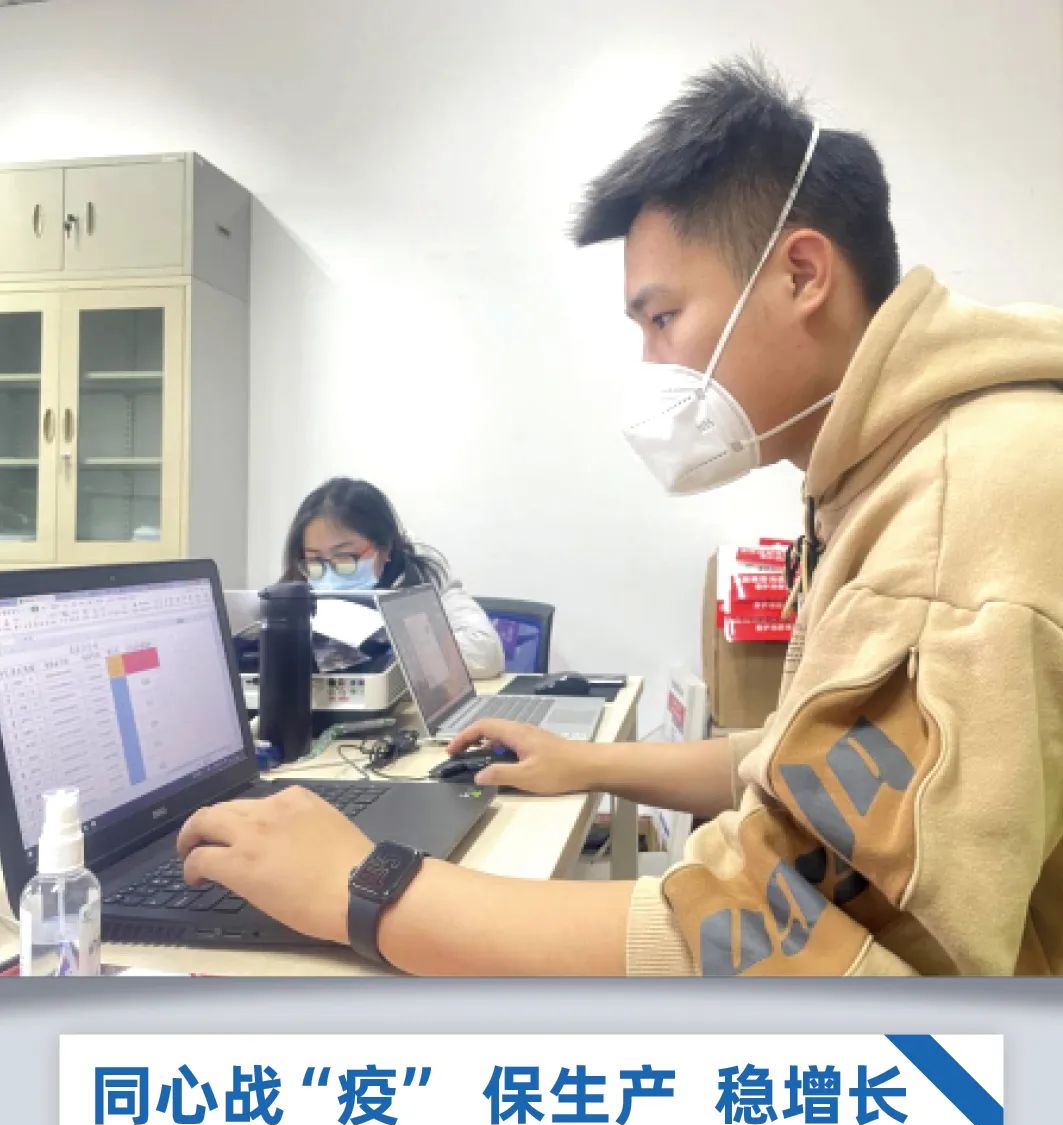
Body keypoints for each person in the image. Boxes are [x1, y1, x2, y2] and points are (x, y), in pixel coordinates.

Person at [179, 59, 1063, 977]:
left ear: (801, 274)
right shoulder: (895, 465)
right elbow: (803, 765)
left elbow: (781, 951)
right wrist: (589, 762)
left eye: (663, 317)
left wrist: (366, 888)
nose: (650, 365)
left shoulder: (949, 522)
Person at [282, 477, 504, 679]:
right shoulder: (296, 586)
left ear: (385, 548)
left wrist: (394, 648)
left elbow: (485, 653)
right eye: (315, 559)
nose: (329, 574)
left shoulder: (424, 575)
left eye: (344, 556)